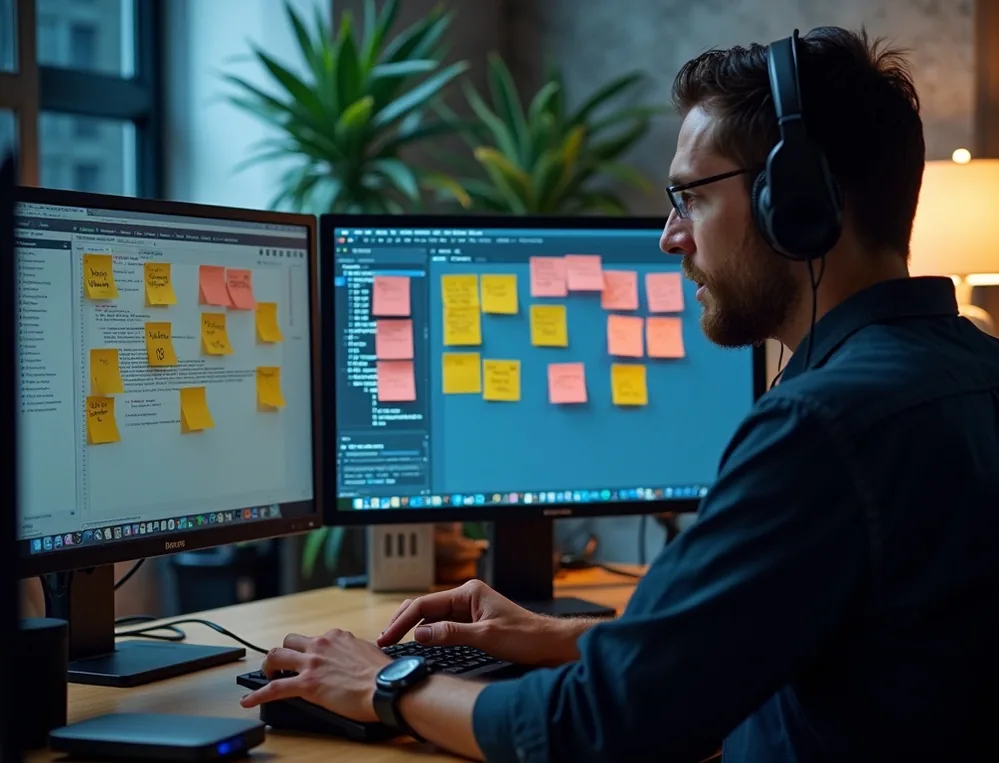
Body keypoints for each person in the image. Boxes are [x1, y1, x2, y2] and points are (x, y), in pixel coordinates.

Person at [240, 26, 999, 762]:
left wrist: (384, 680)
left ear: (794, 202)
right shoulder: (970, 373)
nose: (670, 236)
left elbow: (598, 728)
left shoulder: (821, 426)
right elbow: (779, 641)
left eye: (689, 197)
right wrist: (561, 637)